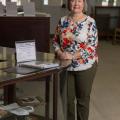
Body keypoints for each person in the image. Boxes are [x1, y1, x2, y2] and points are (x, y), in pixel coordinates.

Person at [52, 0, 98, 120]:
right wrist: (59, 52)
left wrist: (72, 56)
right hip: (65, 66)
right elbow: (55, 41)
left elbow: (92, 46)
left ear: (84, 4)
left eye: (79, 0)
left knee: (82, 100)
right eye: (73, 0)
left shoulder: (90, 22)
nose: (76, 3)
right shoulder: (62, 21)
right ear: (69, 3)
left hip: (85, 66)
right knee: (67, 100)